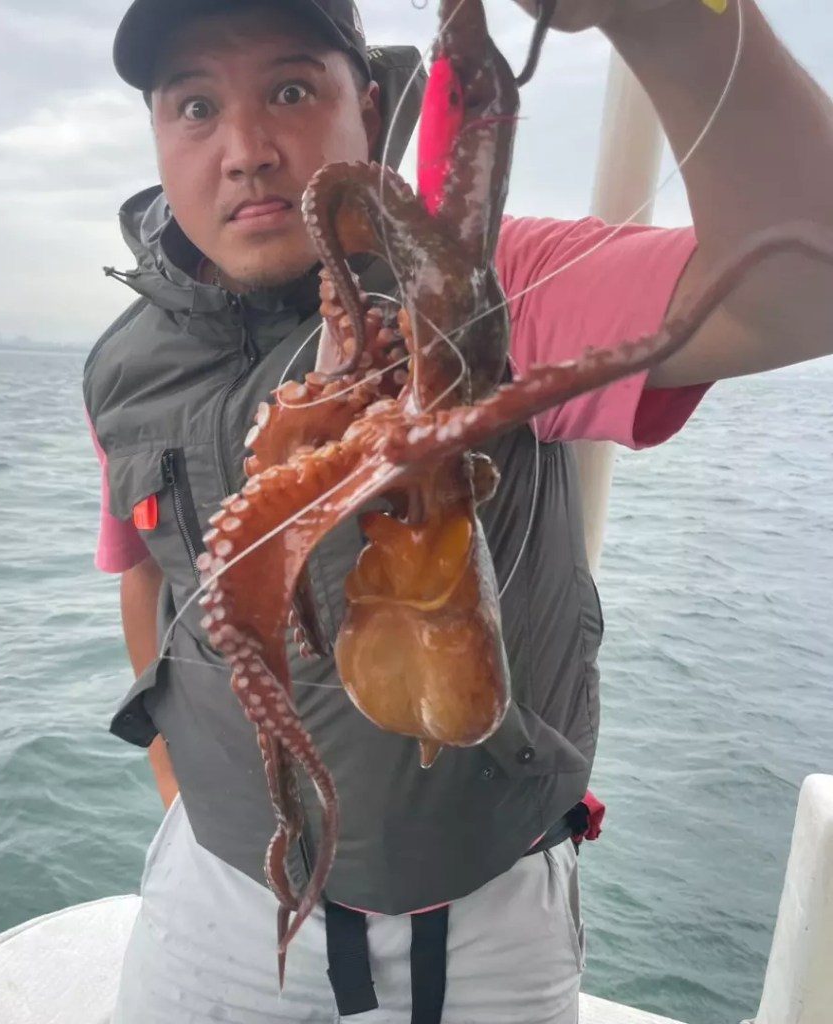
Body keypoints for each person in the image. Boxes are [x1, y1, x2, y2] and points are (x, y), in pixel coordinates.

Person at [83, 0, 833, 1020]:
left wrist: (670, 18)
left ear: (370, 108)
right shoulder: (126, 366)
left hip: (484, 920)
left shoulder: (487, 292)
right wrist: (177, 787)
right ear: (158, 135)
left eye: (291, 90)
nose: (247, 149)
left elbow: (803, 285)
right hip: (220, 897)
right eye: (196, 105)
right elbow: (147, 581)